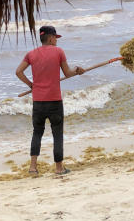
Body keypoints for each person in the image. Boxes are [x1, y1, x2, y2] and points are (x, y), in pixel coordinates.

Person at [15, 25, 85, 175]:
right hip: (54, 101)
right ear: (51, 38)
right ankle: (59, 168)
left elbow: (18, 72)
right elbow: (67, 73)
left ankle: (33, 167)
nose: (56, 41)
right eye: (56, 38)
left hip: (38, 102)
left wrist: (31, 85)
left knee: (37, 132)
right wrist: (77, 71)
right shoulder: (58, 51)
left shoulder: (31, 54)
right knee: (57, 134)